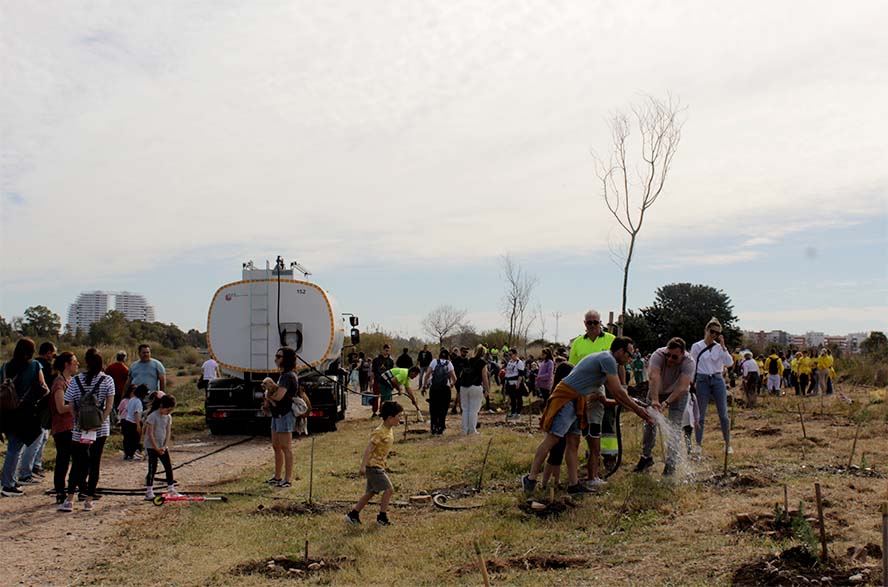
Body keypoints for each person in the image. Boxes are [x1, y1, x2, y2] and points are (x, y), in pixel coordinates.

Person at [523, 337, 654, 495]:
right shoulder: (608, 359)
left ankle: (573, 485)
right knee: (552, 439)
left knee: (574, 442)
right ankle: (530, 479)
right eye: (629, 354)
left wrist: (636, 407)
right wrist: (640, 411)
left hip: (578, 400)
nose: (630, 358)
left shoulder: (608, 360)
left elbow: (618, 395)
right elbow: (618, 392)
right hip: (567, 397)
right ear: (620, 351)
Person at [59, 349, 114, 512]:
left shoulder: (76, 380)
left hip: (80, 428)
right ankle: (88, 500)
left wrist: (79, 421)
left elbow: (71, 404)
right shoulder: (107, 380)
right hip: (100, 428)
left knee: (77, 463)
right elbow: (109, 406)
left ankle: (69, 500)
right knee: (94, 463)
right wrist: (99, 422)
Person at [633, 337, 695, 476]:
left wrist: (666, 403)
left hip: (677, 393)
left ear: (682, 355)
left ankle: (671, 464)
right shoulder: (657, 355)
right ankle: (646, 457)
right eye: (668, 355)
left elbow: (683, 386)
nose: (670, 359)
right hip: (657, 390)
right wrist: (655, 400)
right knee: (649, 423)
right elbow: (654, 377)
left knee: (675, 426)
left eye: (674, 357)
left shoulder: (689, 362)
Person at [568, 310, 617, 478]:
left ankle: (609, 456)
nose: (593, 325)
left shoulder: (611, 340)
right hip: (587, 387)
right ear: (584, 323)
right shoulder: (578, 343)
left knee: (608, 419)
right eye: (589, 323)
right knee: (589, 420)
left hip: (609, 383)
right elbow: (571, 367)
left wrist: (622, 386)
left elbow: (621, 364)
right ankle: (592, 455)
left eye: (595, 322)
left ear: (601, 322)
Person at [1, 338, 49, 497]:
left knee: (13, 446)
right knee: (15, 448)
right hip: (24, 411)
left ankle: (11, 480)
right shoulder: (34, 366)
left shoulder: (5, 367)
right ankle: (8, 484)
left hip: (6, 411)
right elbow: (43, 387)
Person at [346, 400, 404, 526]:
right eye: (398, 416)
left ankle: (353, 514)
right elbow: (369, 448)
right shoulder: (380, 432)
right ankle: (382, 517)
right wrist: (362, 466)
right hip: (373, 467)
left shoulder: (388, 430)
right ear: (390, 418)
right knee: (389, 490)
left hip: (379, 466)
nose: (400, 418)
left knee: (371, 492)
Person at [689, 318, 734, 455]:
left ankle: (727, 444)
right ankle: (698, 444)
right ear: (706, 330)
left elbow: (730, 362)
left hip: (717, 378)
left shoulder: (719, 347)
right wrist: (692, 382)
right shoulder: (697, 346)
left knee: (723, 414)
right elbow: (692, 365)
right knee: (700, 414)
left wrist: (723, 346)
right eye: (712, 331)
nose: (714, 335)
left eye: (717, 333)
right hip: (702, 379)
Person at [17, 341, 57, 484]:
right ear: (48, 353)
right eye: (53, 352)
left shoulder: (28, 365)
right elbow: (45, 387)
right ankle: (26, 472)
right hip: (39, 408)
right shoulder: (41, 366)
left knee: (40, 439)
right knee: (35, 440)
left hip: (29, 407)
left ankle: (32, 468)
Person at [265, 347, 299, 488]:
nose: (276, 358)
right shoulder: (283, 374)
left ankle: (288, 479)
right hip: (276, 414)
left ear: (286, 359)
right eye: (276, 355)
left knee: (286, 447)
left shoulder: (288, 376)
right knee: (276, 445)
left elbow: (279, 396)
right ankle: (277, 476)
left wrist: (269, 396)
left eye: (279, 356)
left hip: (285, 414)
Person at [49, 351, 77, 504]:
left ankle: (71, 488)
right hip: (62, 427)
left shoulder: (71, 381)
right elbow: (60, 407)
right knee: (63, 459)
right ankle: (60, 490)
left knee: (74, 459)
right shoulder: (59, 383)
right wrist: (77, 404)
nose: (77, 365)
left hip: (72, 425)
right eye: (74, 362)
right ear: (67, 364)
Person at [144, 395, 180, 501]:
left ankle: (171, 488)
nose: (169, 412)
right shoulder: (152, 416)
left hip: (162, 446)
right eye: (167, 409)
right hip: (152, 446)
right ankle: (149, 491)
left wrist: (164, 446)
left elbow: (168, 431)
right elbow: (150, 433)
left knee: (168, 466)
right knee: (152, 468)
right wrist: (156, 448)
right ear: (162, 406)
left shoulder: (168, 417)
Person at [458, 345, 489, 435]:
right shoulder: (482, 363)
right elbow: (484, 377)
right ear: (484, 353)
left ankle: (464, 430)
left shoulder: (468, 360)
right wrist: (487, 389)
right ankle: (472, 430)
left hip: (464, 386)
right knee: (473, 410)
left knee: (465, 409)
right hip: (475, 386)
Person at [122, 385, 149, 460]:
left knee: (127, 439)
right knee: (134, 439)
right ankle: (133, 453)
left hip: (127, 421)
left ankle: (127, 454)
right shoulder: (138, 401)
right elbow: (136, 413)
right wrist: (138, 425)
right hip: (134, 422)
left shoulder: (131, 399)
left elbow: (127, 409)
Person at [370, 345, 394, 418]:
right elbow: (373, 372)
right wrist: (371, 381)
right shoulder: (376, 360)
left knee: (385, 397)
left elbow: (392, 372)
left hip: (386, 382)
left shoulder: (390, 361)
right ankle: (374, 412)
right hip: (377, 380)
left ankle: (382, 412)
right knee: (376, 396)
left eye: (388, 350)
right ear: (383, 350)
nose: (387, 352)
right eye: (386, 350)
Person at [503, 349, 525, 418]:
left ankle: (518, 413)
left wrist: (518, 383)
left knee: (518, 398)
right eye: (508, 355)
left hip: (516, 382)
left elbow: (521, 374)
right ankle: (513, 412)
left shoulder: (519, 363)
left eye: (511, 354)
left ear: (515, 354)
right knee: (512, 398)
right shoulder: (510, 362)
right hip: (509, 382)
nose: (509, 356)